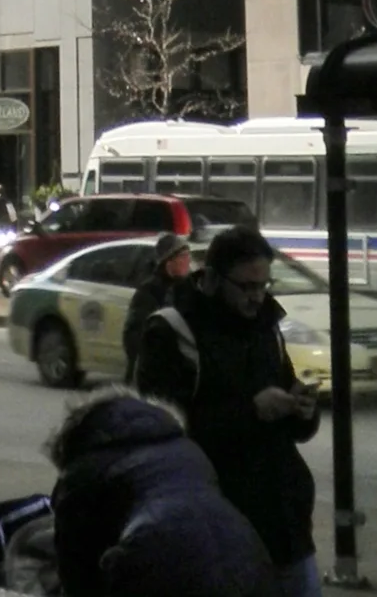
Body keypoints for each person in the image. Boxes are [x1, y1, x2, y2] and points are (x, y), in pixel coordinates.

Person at [133, 225, 319, 597]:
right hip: (217, 529)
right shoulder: (173, 333)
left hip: (286, 525)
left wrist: (301, 410)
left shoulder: (266, 328)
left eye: (264, 286)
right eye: (247, 287)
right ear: (214, 280)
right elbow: (164, 436)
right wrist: (252, 412)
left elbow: (289, 422)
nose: (257, 298)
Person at [50, 387, 278, 597]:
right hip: (246, 553)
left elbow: (77, 574)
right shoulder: (186, 448)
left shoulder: (82, 472)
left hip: (160, 562)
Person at [123, 231, 194, 381]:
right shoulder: (149, 292)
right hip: (153, 377)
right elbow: (134, 336)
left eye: (189, 255)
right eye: (184, 256)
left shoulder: (187, 290)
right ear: (169, 262)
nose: (189, 260)